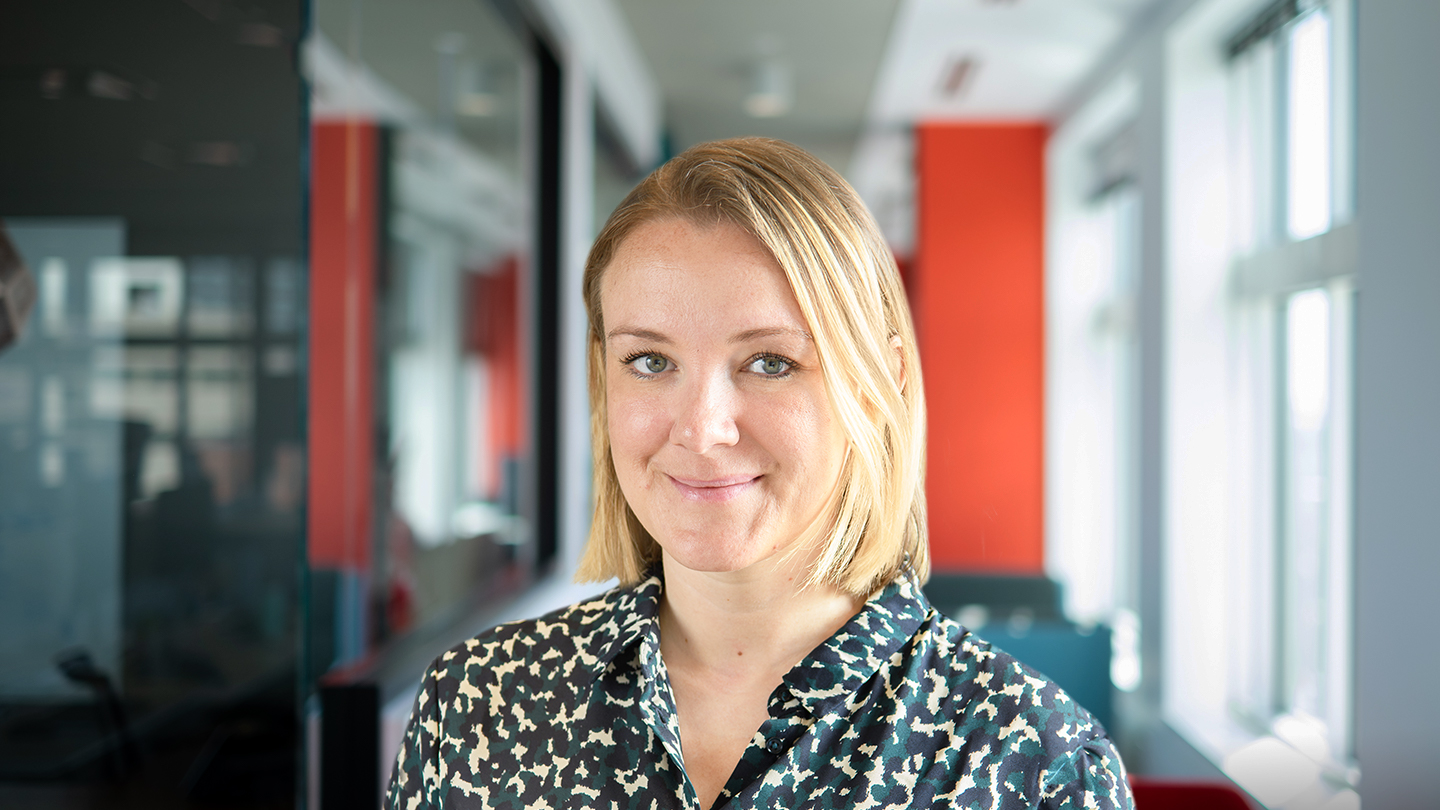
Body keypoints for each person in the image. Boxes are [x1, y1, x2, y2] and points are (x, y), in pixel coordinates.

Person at [384, 137, 1133, 809]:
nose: (702, 429)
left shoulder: (1032, 764)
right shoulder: (478, 702)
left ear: (879, 388)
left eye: (770, 362)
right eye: (650, 361)